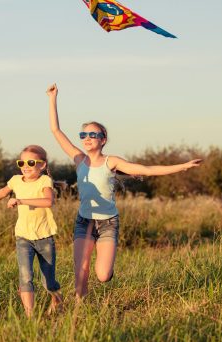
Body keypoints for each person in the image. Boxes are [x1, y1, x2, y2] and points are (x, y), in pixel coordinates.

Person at [46, 83, 202, 300]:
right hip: (84, 222)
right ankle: (79, 310)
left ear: (103, 139)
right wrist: (53, 98)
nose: (87, 137)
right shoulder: (78, 159)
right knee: (80, 272)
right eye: (84, 134)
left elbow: (146, 170)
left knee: (102, 275)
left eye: (93, 134)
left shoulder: (112, 162)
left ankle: (107, 271)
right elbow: (56, 131)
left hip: (108, 223)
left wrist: (182, 166)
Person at [0, 145, 63, 316]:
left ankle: (56, 298)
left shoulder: (44, 181)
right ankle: (30, 315)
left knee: (48, 281)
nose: (25, 166)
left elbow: (48, 201)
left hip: (44, 237)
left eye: (30, 162)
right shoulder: (15, 180)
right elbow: (3, 191)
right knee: (25, 276)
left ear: (42, 165)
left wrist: (20, 200)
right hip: (23, 237)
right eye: (21, 162)